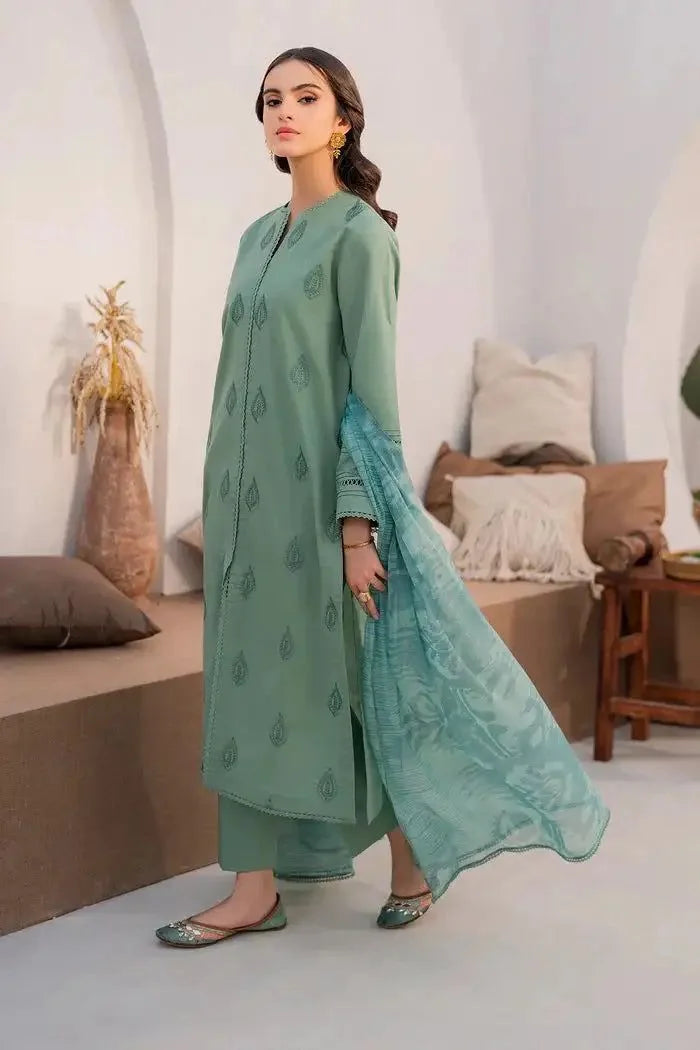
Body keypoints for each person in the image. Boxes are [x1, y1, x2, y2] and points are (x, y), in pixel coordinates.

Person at [156, 47, 609, 949]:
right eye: (271, 100)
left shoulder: (361, 237)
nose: (284, 112)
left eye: (305, 97)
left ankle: (412, 862)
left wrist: (357, 527)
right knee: (243, 688)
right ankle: (253, 889)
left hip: (323, 510)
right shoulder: (255, 237)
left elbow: (371, 395)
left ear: (343, 120)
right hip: (243, 509)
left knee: (362, 688)